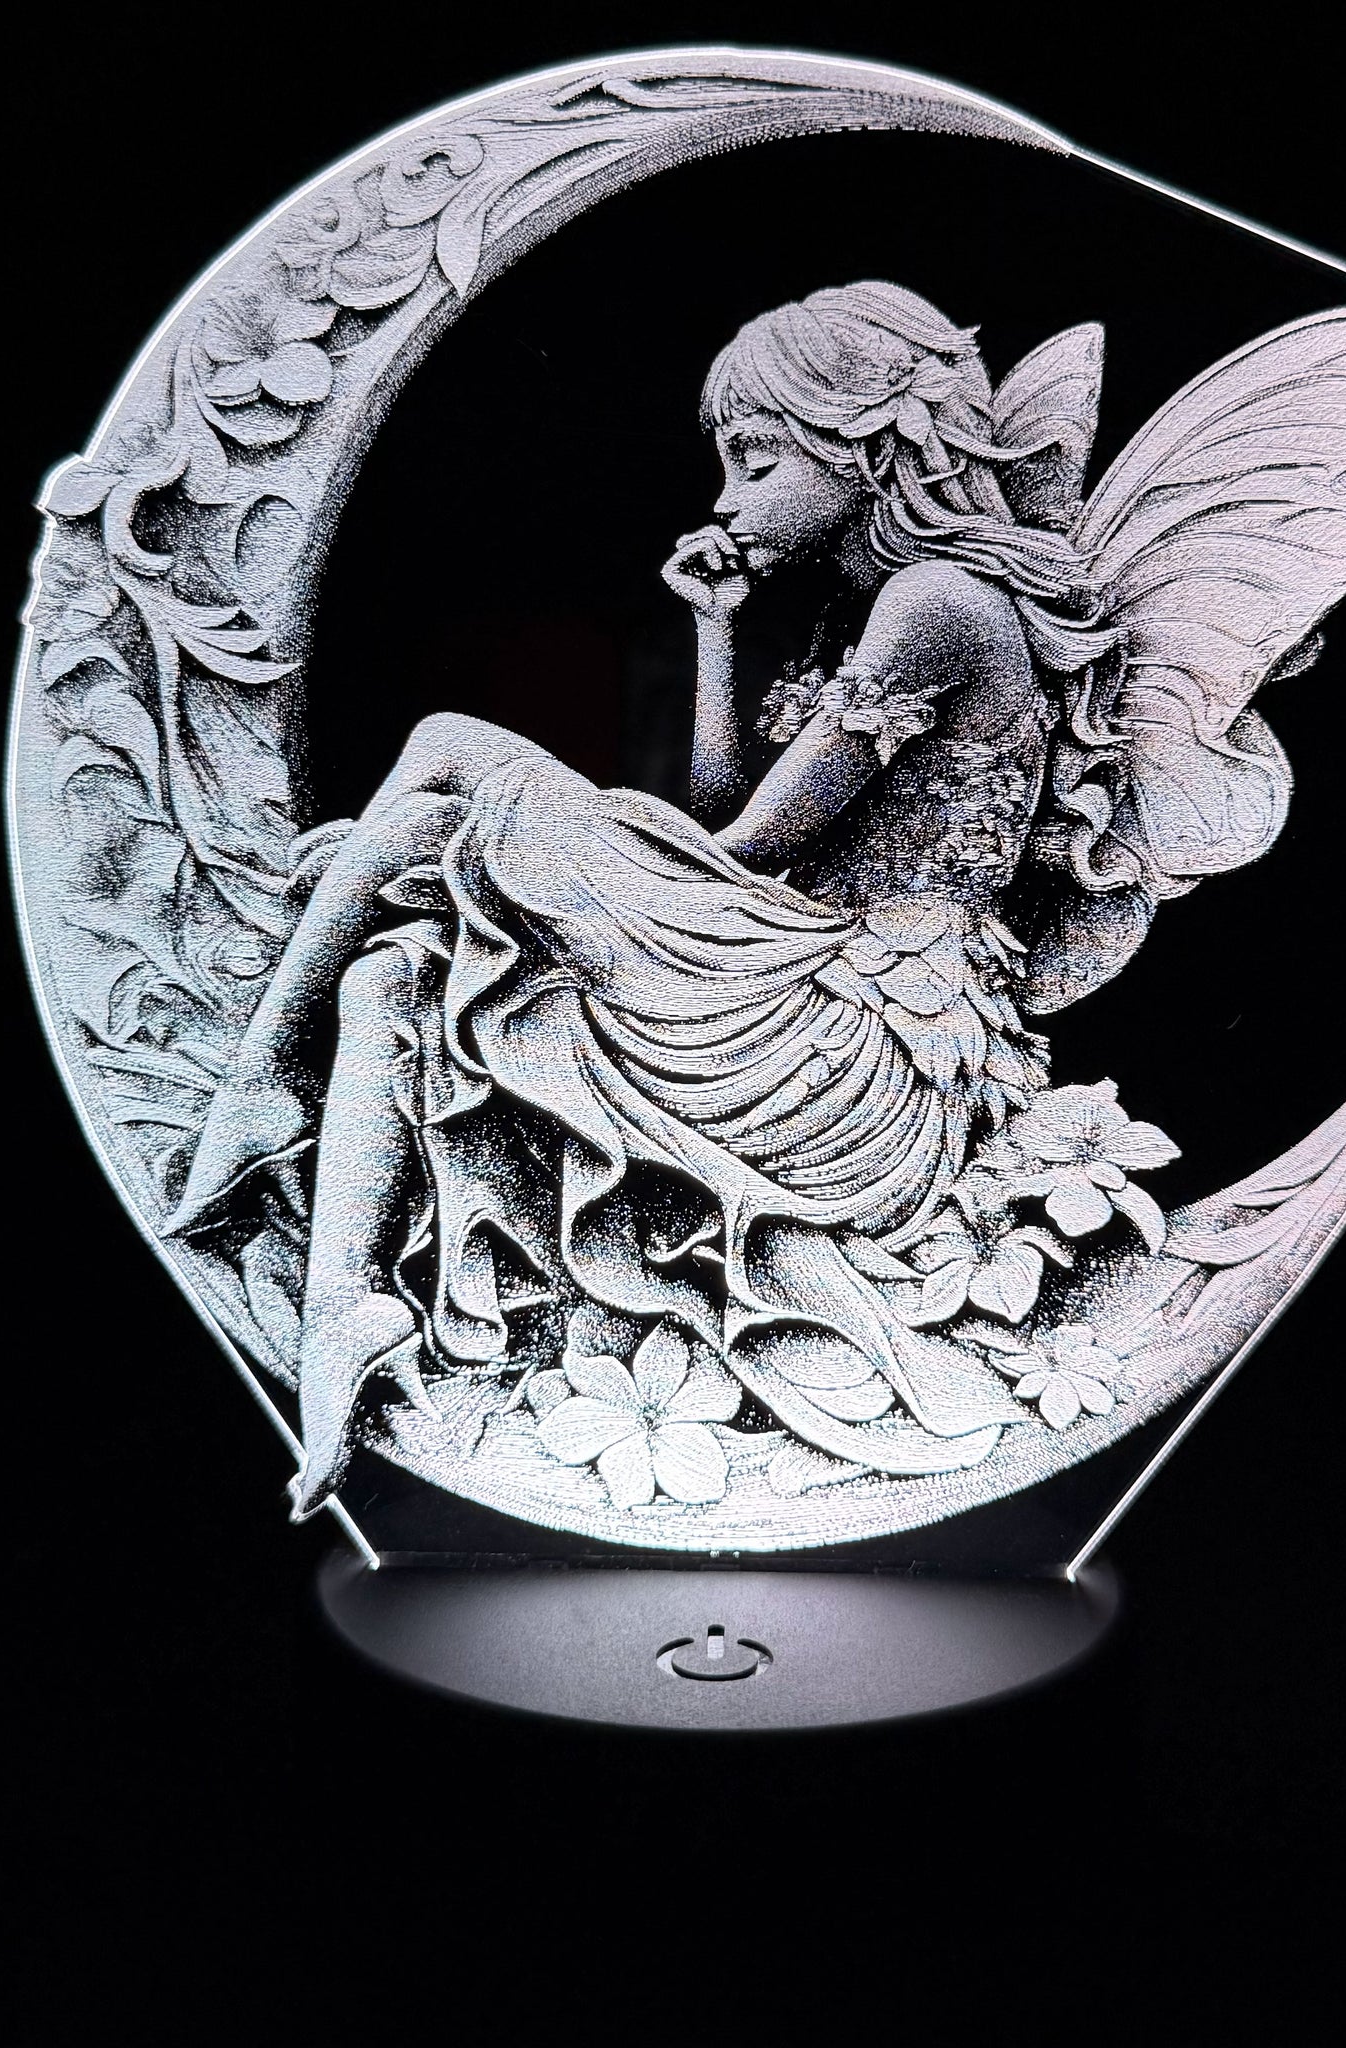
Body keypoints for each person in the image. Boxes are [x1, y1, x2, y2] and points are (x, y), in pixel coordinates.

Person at [171, 282, 1112, 1511]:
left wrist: (538, 834)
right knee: (388, 977)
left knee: (451, 758)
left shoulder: (938, 606)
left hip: (864, 1055)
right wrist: (714, 631)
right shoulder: (861, 615)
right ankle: (343, 1301)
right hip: (791, 981)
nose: (724, 499)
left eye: (755, 460)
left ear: (864, 445)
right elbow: (730, 813)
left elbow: (751, 845)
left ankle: (254, 1084)